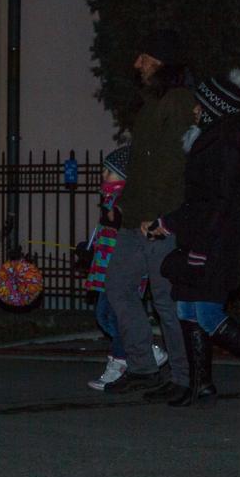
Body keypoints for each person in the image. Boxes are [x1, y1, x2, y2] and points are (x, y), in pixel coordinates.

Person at [142, 70, 240, 408]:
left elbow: (220, 203)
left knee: (209, 315)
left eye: (199, 105)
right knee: (187, 308)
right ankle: (201, 385)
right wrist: (168, 223)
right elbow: (199, 201)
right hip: (201, 238)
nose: (195, 110)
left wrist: (199, 245)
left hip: (215, 243)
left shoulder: (227, 145)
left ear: (214, 108)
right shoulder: (211, 140)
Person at [103, 30, 195, 398]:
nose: (136, 64)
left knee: (166, 301)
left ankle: (184, 377)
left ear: (161, 61)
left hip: (161, 221)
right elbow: (143, 166)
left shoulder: (178, 102)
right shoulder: (152, 103)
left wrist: (159, 215)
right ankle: (143, 366)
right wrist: (125, 205)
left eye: (143, 57)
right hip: (135, 219)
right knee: (118, 288)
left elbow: (174, 166)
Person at [84, 145, 168, 390]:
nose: (104, 175)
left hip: (120, 269)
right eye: (104, 170)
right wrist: (89, 249)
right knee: (106, 315)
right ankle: (143, 349)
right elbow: (105, 233)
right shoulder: (109, 199)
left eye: (110, 172)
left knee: (116, 315)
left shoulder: (126, 201)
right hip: (105, 267)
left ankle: (121, 360)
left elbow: (127, 235)